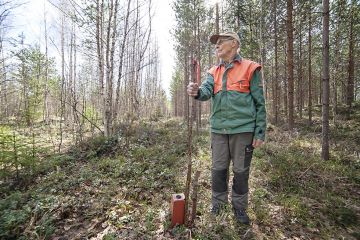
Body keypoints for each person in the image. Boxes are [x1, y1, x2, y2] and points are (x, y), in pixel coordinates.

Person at [187, 32, 266, 225]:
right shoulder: (213, 71)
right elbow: (206, 92)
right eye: (216, 43)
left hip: (243, 130)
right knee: (218, 169)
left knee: (241, 171)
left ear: (234, 44)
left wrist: (260, 131)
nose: (217, 45)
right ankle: (218, 205)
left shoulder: (250, 67)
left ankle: (239, 208)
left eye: (221, 42)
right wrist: (197, 91)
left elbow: (260, 102)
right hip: (219, 131)